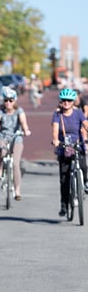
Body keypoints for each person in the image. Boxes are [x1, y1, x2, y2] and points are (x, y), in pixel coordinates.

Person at [0, 87, 31, 200]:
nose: (8, 103)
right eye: (6, 100)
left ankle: (17, 191)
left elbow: (23, 122)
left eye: (11, 100)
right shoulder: (0, 112)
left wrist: (26, 130)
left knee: (15, 164)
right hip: (3, 137)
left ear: (15, 101)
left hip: (16, 138)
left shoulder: (19, 111)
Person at [51, 88, 88, 217]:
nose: (66, 103)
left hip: (77, 144)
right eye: (64, 100)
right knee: (64, 179)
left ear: (73, 102)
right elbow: (55, 130)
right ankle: (64, 205)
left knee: (83, 166)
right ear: (61, 101)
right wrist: (56, 140)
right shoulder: (57, 115)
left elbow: (85, 124)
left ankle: (86, 183)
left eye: (69, 100)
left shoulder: (78, 113)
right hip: (64, 147)